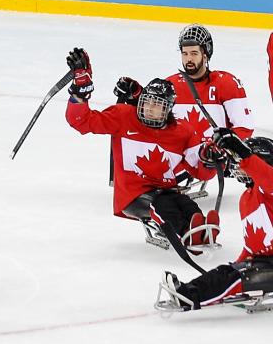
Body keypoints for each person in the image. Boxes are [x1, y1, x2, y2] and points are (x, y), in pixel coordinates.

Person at [66, 49, 218, 245]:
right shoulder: (123, 116)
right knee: (163, 205)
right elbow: (81, 121)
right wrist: (81, 87)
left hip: (167, 190)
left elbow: (200, 170)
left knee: (186, 203)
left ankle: (202, 230)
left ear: (168, 109)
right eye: (147, 102)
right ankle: (186, 234)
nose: (149, 109)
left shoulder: (182, 132)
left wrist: (210, 158)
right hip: (133, 195)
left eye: (157, 105)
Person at [159, 131, 273, 311]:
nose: (238, 165)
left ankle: (189, 298)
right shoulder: (246, 198)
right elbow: (252, 245)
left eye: (243, 160)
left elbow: (268, 178)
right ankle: (186, 290)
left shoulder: (268, 190)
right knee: (226, 272)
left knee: (238, 277)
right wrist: (236, 265)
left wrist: (244, 153)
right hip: (263, 261)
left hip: (268, 266)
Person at [164, 25, 255, 138]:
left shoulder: (226, 84)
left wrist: (222, 149)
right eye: (185, 53)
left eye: (194, 53)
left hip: (216, 154)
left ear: (206, 54)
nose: (189, 59)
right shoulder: (169, 86)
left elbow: (244, 128)